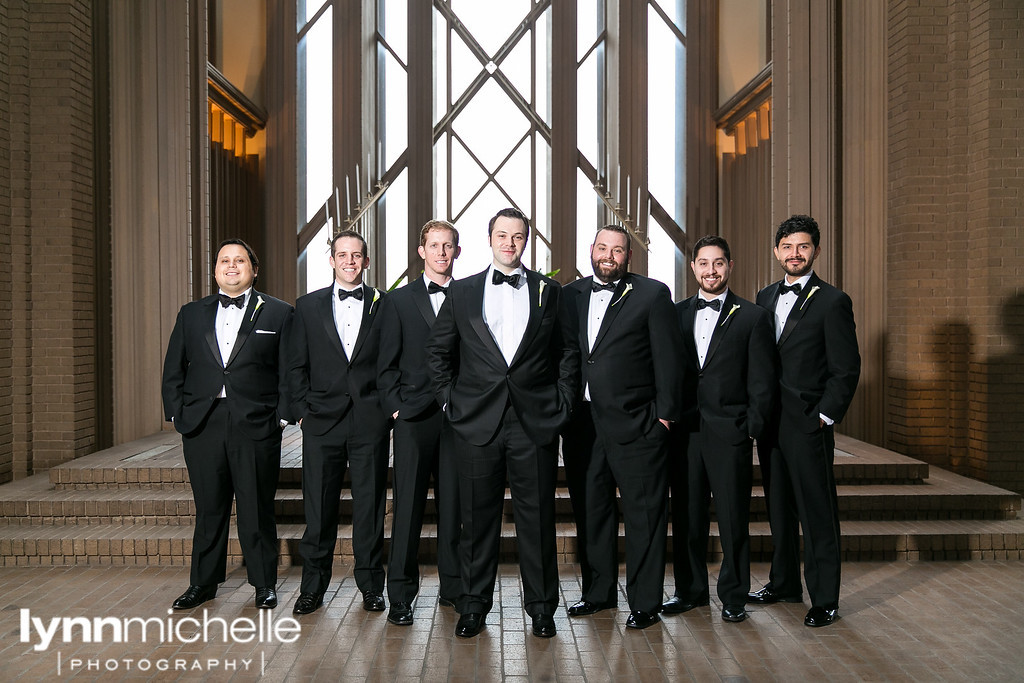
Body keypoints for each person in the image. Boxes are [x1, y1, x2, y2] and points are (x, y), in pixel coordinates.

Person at [425, 207, 578, 639]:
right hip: (475, 421)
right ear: (489, 240)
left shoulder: (550, 291)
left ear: (526, 242)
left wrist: (563, 402)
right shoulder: (464, 291)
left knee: (538, 521)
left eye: (517, 237)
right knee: (475, 521)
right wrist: (450, 402)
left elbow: (567, 352)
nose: (509, 244)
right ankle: (473, 607)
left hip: (534, 421)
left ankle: (543, 609)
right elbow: (438, 353)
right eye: (502, 236)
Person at [561, 224, 684, 630]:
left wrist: (663, 417)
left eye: (617, 250)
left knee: (644, 514)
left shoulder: (652, 294)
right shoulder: (570, 295)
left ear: (628, 257)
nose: (608, 256)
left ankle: (645, 603)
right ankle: (598, 594)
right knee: (591, 512)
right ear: (590, 250)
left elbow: (669, 359)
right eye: (602, 248)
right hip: (583, 425)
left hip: (639, 424)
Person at [161, 238, 293, 611]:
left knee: (256, 507)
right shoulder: (191, 313)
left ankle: (264, 584)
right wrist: (178, 414)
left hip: (255, 422)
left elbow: (289, 371)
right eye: (224, 260)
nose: (231, 266)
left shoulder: (279, 313)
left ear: (254, 268)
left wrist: (281, 416)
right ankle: (202, 584)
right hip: (203, 423)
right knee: (209, 509)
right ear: (215, 269)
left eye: (239, 260)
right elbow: (174, 368)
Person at [749, 214, 860, 627]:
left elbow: (846, 368)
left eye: (803, 247)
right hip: (770, 424)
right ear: (777, 251)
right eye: (787, 247)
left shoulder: (833, 301)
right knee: (778, 508)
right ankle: (784, 583)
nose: (795, 254)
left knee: (817, 513)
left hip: (808, 424)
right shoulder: (763, 296)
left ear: (815, 251)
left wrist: (824, 417)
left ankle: (826, 598)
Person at [663, 235, 776, 623]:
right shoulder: (674, 314)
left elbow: (763, 380)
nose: (711, 270)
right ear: (693, 267)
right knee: (688, 516)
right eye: (704, 263)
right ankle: (690, 592)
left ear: (730, 266)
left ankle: (733, 596)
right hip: (686, 433)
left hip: (731, 432)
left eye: (719, 263)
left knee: (732, 519)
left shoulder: (752, 317)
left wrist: (750, 428)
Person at [288, 230, 390, 616]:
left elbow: (389, 360)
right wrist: (301, 411)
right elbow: (295, 365)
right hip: (321, 422)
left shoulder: (385, 305)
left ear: (366, 261)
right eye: (342, 255)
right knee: (318, 510)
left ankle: (370, 587)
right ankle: (312, 588)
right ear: (331, 261)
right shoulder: (307, 306)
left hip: (369, 421)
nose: (350, 261)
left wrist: (385, 409)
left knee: (370, 509)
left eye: (357, 255)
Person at [377, 220, 463, 626]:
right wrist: (396, 408)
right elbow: (385, 363)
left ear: (457, 252)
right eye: (434, 245)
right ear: (421, 250)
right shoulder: (397, 300)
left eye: (448, 246)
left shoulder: (469, 294)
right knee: (407, 509)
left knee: (454, 508)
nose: (441, 252)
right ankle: (400, 596)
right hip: (412, 418)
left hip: (458, 419)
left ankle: (454, 589)